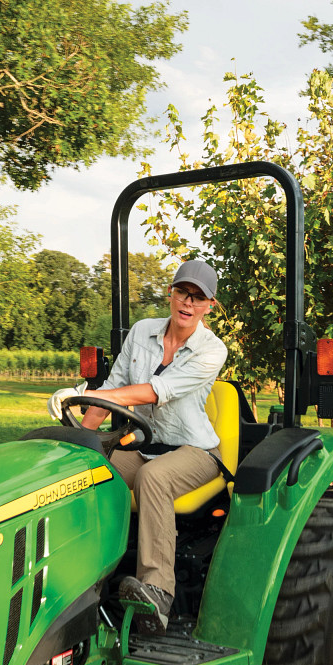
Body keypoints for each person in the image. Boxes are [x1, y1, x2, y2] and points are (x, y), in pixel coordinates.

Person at [48, 260, 228, 631]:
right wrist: (79, 444)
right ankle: (75, 577)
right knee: (89, 471)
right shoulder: (142, 331)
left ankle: (158, 592)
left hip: (196, 452)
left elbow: (155, 391)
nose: (188, 302)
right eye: (183, 292)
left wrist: (85, 394)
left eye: (198, 297)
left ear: (210, 306)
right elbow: (112, 391)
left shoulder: (212, 351)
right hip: (146, 445)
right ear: (171, 293)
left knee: (153, 478)